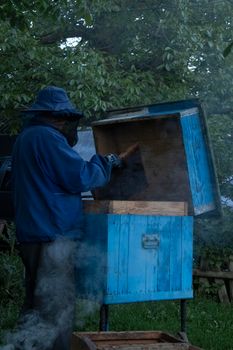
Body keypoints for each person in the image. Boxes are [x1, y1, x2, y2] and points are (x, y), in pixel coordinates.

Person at [11, 86, 129, 350]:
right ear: (57, 116)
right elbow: (81, 177)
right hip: (53, 235)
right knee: (56, 307)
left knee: (34, 305)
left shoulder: (26, 137)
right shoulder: (48, 138)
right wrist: (107, 162)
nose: (66, 123)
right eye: (64, 118)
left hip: (32, 233)